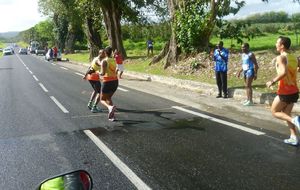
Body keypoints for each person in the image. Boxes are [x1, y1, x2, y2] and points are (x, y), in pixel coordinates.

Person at [266, 36, 300, 146]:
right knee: (286, 114)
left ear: (282, 46)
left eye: (277, 42)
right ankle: (294, 137)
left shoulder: (281, 58)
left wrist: (272, 81)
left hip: (285, 91)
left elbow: (283, 73)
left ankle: (296, 120)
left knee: (274, 112)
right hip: (294, 91)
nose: (276, 44)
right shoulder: (293, 57)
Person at [100, 47, 119, 121]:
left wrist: (97, 72)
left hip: (107, 82)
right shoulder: (114, 60)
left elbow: (103, 73)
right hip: (115, 82)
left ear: (105, 52)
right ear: (111, 52)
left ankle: (109, 107)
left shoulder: (104, 61)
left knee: (102, 99)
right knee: (108, 98)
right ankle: (112, 116)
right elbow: (116, 70)